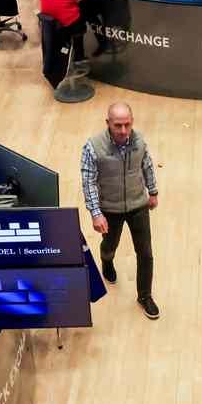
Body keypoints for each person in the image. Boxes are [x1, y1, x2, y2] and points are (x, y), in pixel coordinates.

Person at [81, 102, 160, 320]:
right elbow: (88, 182)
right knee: (110, 245)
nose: (124, 131)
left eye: (127, 125)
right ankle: (107, 260)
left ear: (132, 122)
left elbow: (147, 165)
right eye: (118, 126)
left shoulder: (139, 141)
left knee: (145, 253)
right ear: (108, 123)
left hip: (138, 205)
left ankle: (145, 296)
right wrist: (96, 213)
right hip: (110, 208)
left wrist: (153, 192)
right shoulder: (93, 147)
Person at [38, 0, 97, 88]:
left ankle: (78, 55)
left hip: (49, 21)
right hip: (67, 24)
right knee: (87, 10)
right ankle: (79, 56)